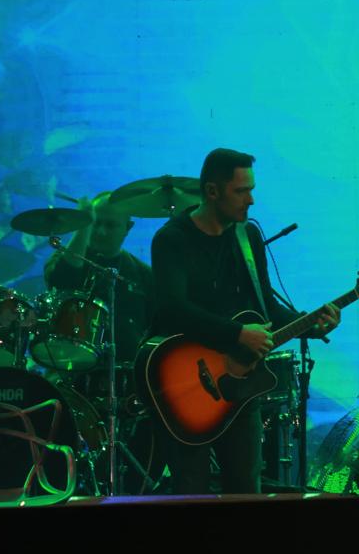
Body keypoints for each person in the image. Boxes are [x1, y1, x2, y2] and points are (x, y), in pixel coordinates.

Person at [150, 148, 339, 494]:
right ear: (212, 191)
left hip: (241, 388)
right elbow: (172, 309)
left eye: (251, 189)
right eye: (241, 191)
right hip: (188, 384)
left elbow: (266, 307)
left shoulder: (247, 236)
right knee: (191, 490)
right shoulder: (172, 239)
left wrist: (312, 325)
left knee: (245, 489)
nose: (250, 200)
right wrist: (237, 333)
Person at [43, 192, 153, 364]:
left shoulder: (144, 274)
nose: (101, 231)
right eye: (96, 223)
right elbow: (60, 281)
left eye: (110, 225)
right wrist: (82, 224)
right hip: (68, 367)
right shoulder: (68, 257)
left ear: (128, 227)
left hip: (126, 370)